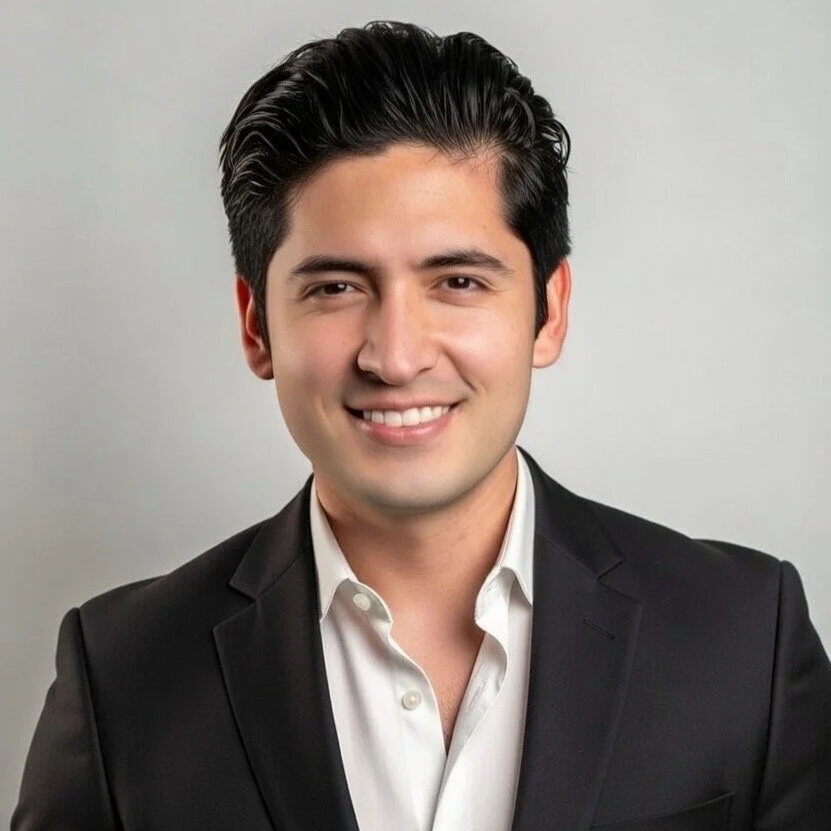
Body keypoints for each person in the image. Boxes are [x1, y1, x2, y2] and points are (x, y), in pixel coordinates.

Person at [12, 20, 831, 831]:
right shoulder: (122, 676)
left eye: (458, 282)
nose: (395, 356)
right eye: (335, 287)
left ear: (548, 312)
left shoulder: (743, 639)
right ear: (256, 325)